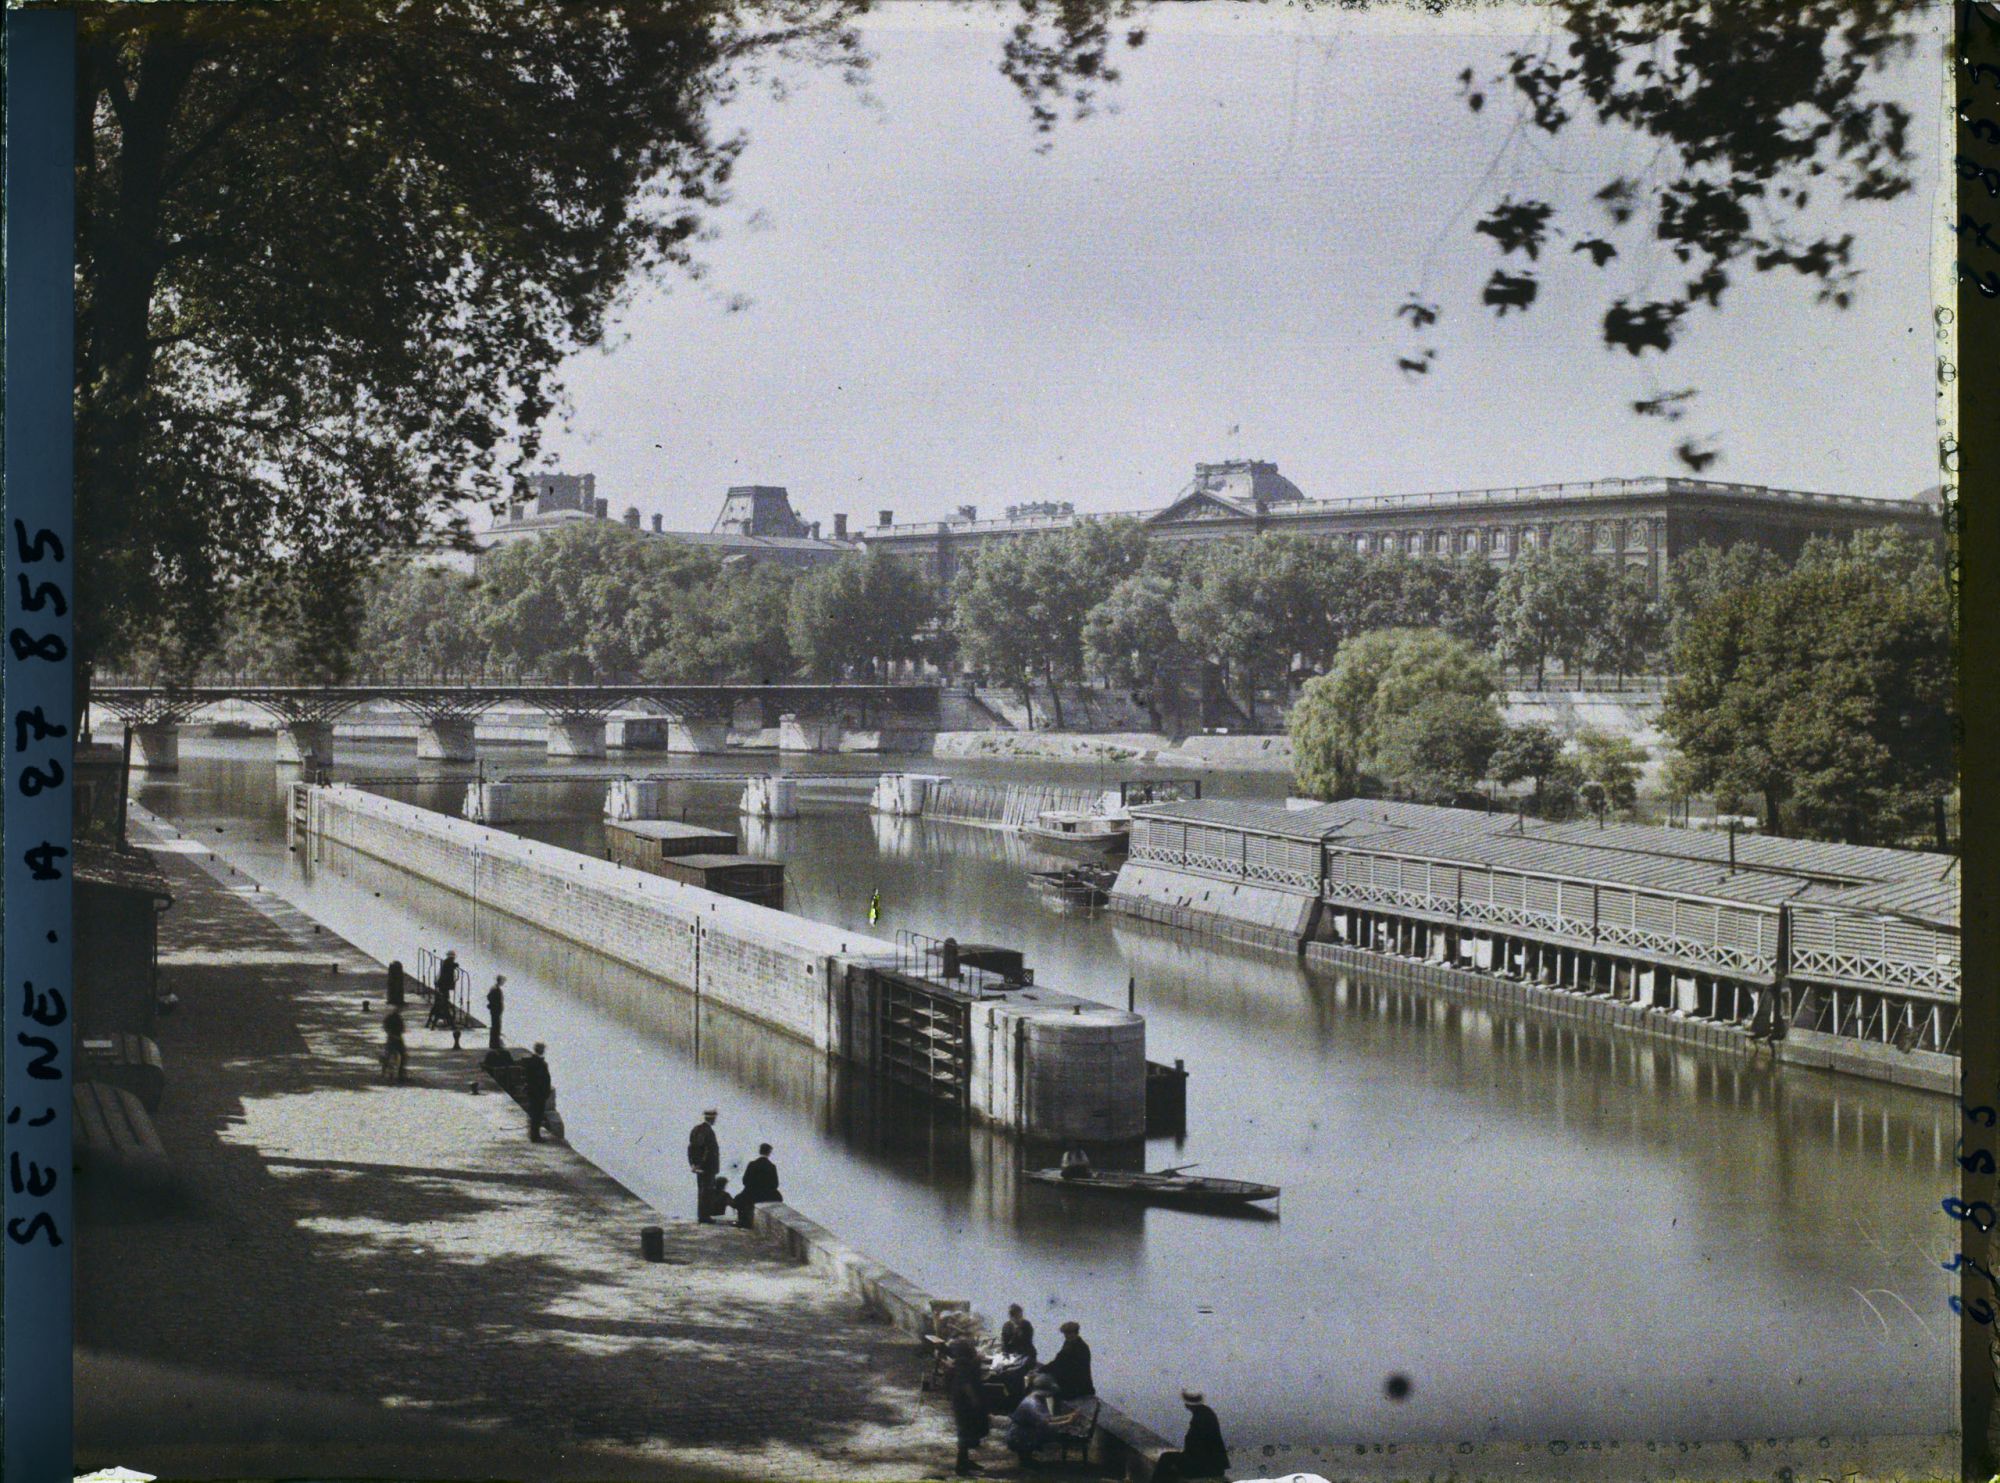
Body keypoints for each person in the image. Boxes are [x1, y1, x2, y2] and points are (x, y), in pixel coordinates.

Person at [945, 1337, 991, 1475]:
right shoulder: (963, 1364)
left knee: (966, 1430)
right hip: (965, 1402)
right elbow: (966, 1384)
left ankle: (965, 1460)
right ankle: (961, 1466)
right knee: (966, 1431)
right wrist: (975, 1400)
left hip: (960, 1400)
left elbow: (975, 1360)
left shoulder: (961, 1362)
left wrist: (984, 1348)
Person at [1003, 1375, 1067, 1468]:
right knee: (1048, 1431)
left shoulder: (1034, 1399)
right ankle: (1025, 1459)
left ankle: (1027, 1457)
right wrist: (1067, 1421)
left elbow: (1048, 1418)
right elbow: (1046, 1422)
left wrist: (1067, 1416)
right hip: (1019, 1435)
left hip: (1022, 1432)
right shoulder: (1033, 1403)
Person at [1177, 1390, 1230, 1479]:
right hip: (1212, 1462)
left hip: (1206, 1463)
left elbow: (1195, 1443)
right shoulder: (1204, 1413)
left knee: (1166, 1460)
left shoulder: (1200, 1417)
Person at [1039, 1320, 1094, 1400]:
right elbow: (1058, 1361)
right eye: (1065, 1334)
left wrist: (1045, 1370)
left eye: (1069, 1333)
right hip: (1070, 1382)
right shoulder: (1069, 1344)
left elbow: (1069, 1368)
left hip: (1077, 1387)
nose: (1066, 1336)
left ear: (1075, 1333)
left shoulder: (1081, 1348)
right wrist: (1042, 1370)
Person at [734, 1142, 782, 1228]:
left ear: (759, 1151)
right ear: (769, 1153)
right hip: (766, 1195)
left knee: (738, 1199)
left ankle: (743, 1221)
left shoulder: (752, 1164)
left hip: (751, 1193)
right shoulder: (772, 1166)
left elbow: (745, 1181)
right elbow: (775, 1184)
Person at [688, 1108, 721, 1222]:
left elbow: (691, 1148)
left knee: (701, 1191)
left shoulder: (696, 1129)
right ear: (712, 1118)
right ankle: (704, 1217)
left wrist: (693, 1164)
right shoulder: (709, 1131)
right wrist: (701, 1164)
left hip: (699, 1167)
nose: (715, 1120)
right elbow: (707, 1151)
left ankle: (701, 1216)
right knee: (707, 1192)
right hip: (707, 1168)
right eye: (714, 1118)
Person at [519, 1041, 553, 1142]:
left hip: (534, 1092)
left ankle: (534, 1134)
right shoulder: (539, 1063)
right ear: (541, 1050)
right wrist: (545, 1091)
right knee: (537, 1114)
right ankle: (535, 1136)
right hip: (538, 1093)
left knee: (535, 1114)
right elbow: (541, 1079)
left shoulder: (532, 1061)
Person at [427, 950, 459, 1029]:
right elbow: (454, 965)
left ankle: (430, 1022)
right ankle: (450, 1023)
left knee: (438, 1003)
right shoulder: (448, 962)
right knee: (444, 1004)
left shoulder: (445, 962)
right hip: (444, 986)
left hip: (442, 985)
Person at [380, 1006, 406, 1084]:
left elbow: (402, 1028)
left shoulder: (398, 1018)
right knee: (389, 1055)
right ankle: (386, 1072)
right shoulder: (391, 1018)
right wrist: (391, 1033)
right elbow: (386, 1027)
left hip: (397, 1038)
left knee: (401, 1055)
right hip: (392, 1038)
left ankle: (399, 1073)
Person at [486, 975, 506, 1050]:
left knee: (495, 1026)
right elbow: (489, 997)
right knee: (496, 1027)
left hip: (496, 1010)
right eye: (503, 981)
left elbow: (489, 997)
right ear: (500, 981)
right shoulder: (496, 989)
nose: (503, 983)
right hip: (495, 1011)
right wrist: (493, 1005)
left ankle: (493, 1043)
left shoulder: (495, 988)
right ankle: (495, 1043)